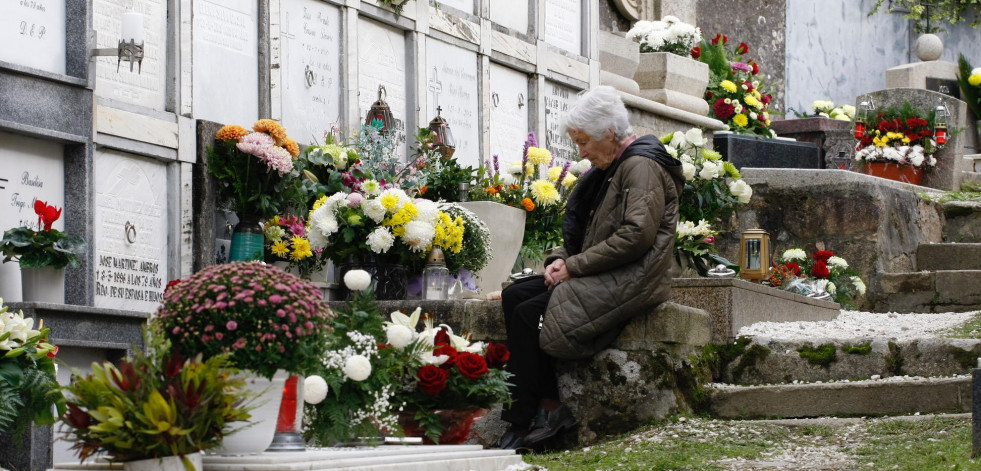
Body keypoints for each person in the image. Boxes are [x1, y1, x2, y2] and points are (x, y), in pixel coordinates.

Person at [496, 86, 685, 450]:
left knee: (529, 313)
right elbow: (587, 231)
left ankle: (524, 419)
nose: (580, 153)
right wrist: (559, 261)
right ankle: (548, 406)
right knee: (515, 295)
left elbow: (635, 237)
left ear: (609, 133)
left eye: (583, 143)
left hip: (634, 276)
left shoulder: (640, 166)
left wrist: (574, 267)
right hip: (605, 269)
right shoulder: (616, 165)